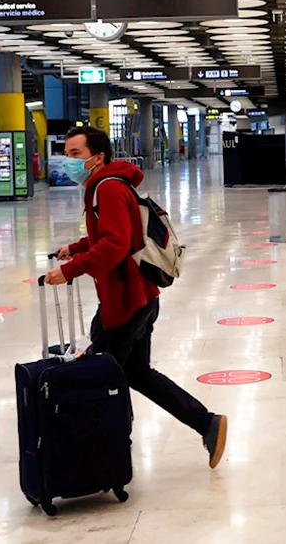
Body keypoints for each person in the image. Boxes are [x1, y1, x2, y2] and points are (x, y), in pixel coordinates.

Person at [44, 126, 229, 469]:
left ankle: (111, 454)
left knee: (104, 377)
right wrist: (78, 247)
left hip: (124, 303)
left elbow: (115, 246)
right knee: (137, 374)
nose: (68, 162)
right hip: (140, 297)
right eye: (66, 154)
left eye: (75, 155)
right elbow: (118, 235)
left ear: (97, 158)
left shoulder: (108, 188)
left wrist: (70, 271)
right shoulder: (111, 184)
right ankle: (207, 423)